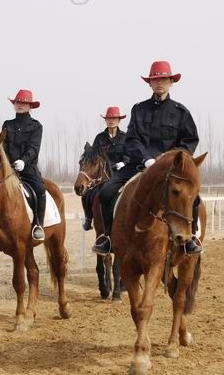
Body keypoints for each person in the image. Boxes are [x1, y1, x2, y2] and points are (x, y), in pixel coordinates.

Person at [92, 61, 202, 256]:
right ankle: (108, 237)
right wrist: (146, 159)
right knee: (107, 192)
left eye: (164, 79)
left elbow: (190, 141)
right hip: (137, 165)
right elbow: (132, 139)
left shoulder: (181, 112)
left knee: (193, 199)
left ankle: (189, 239)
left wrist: (169, 161)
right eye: (155, 79)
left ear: (171, 82)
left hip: (170, 170)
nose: (159, 83)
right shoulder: (139, 109)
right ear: (150, 83)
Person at [0, 89, 46, 241]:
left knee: (40, 190)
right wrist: (7, 163)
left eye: (24, 103)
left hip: (28, 169)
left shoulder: (36, 126)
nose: (20, 105)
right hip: (7, 169)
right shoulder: (8, 124)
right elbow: (2, 146)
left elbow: (34, 148)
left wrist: (23, 161)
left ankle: (38, 224)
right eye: (18, 102)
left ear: (30, 106)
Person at [81, 106, 127, 231]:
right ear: (105, 120)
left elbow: (130, 154)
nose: (111, 121)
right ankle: (88, 218)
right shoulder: (99, 138)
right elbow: (94, 157)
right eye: (108, 118)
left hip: (121, 173)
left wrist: (124, 162)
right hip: (103, 174)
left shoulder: (125, 137)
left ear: (119, 120)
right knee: (87, 193)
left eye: (114, 118)